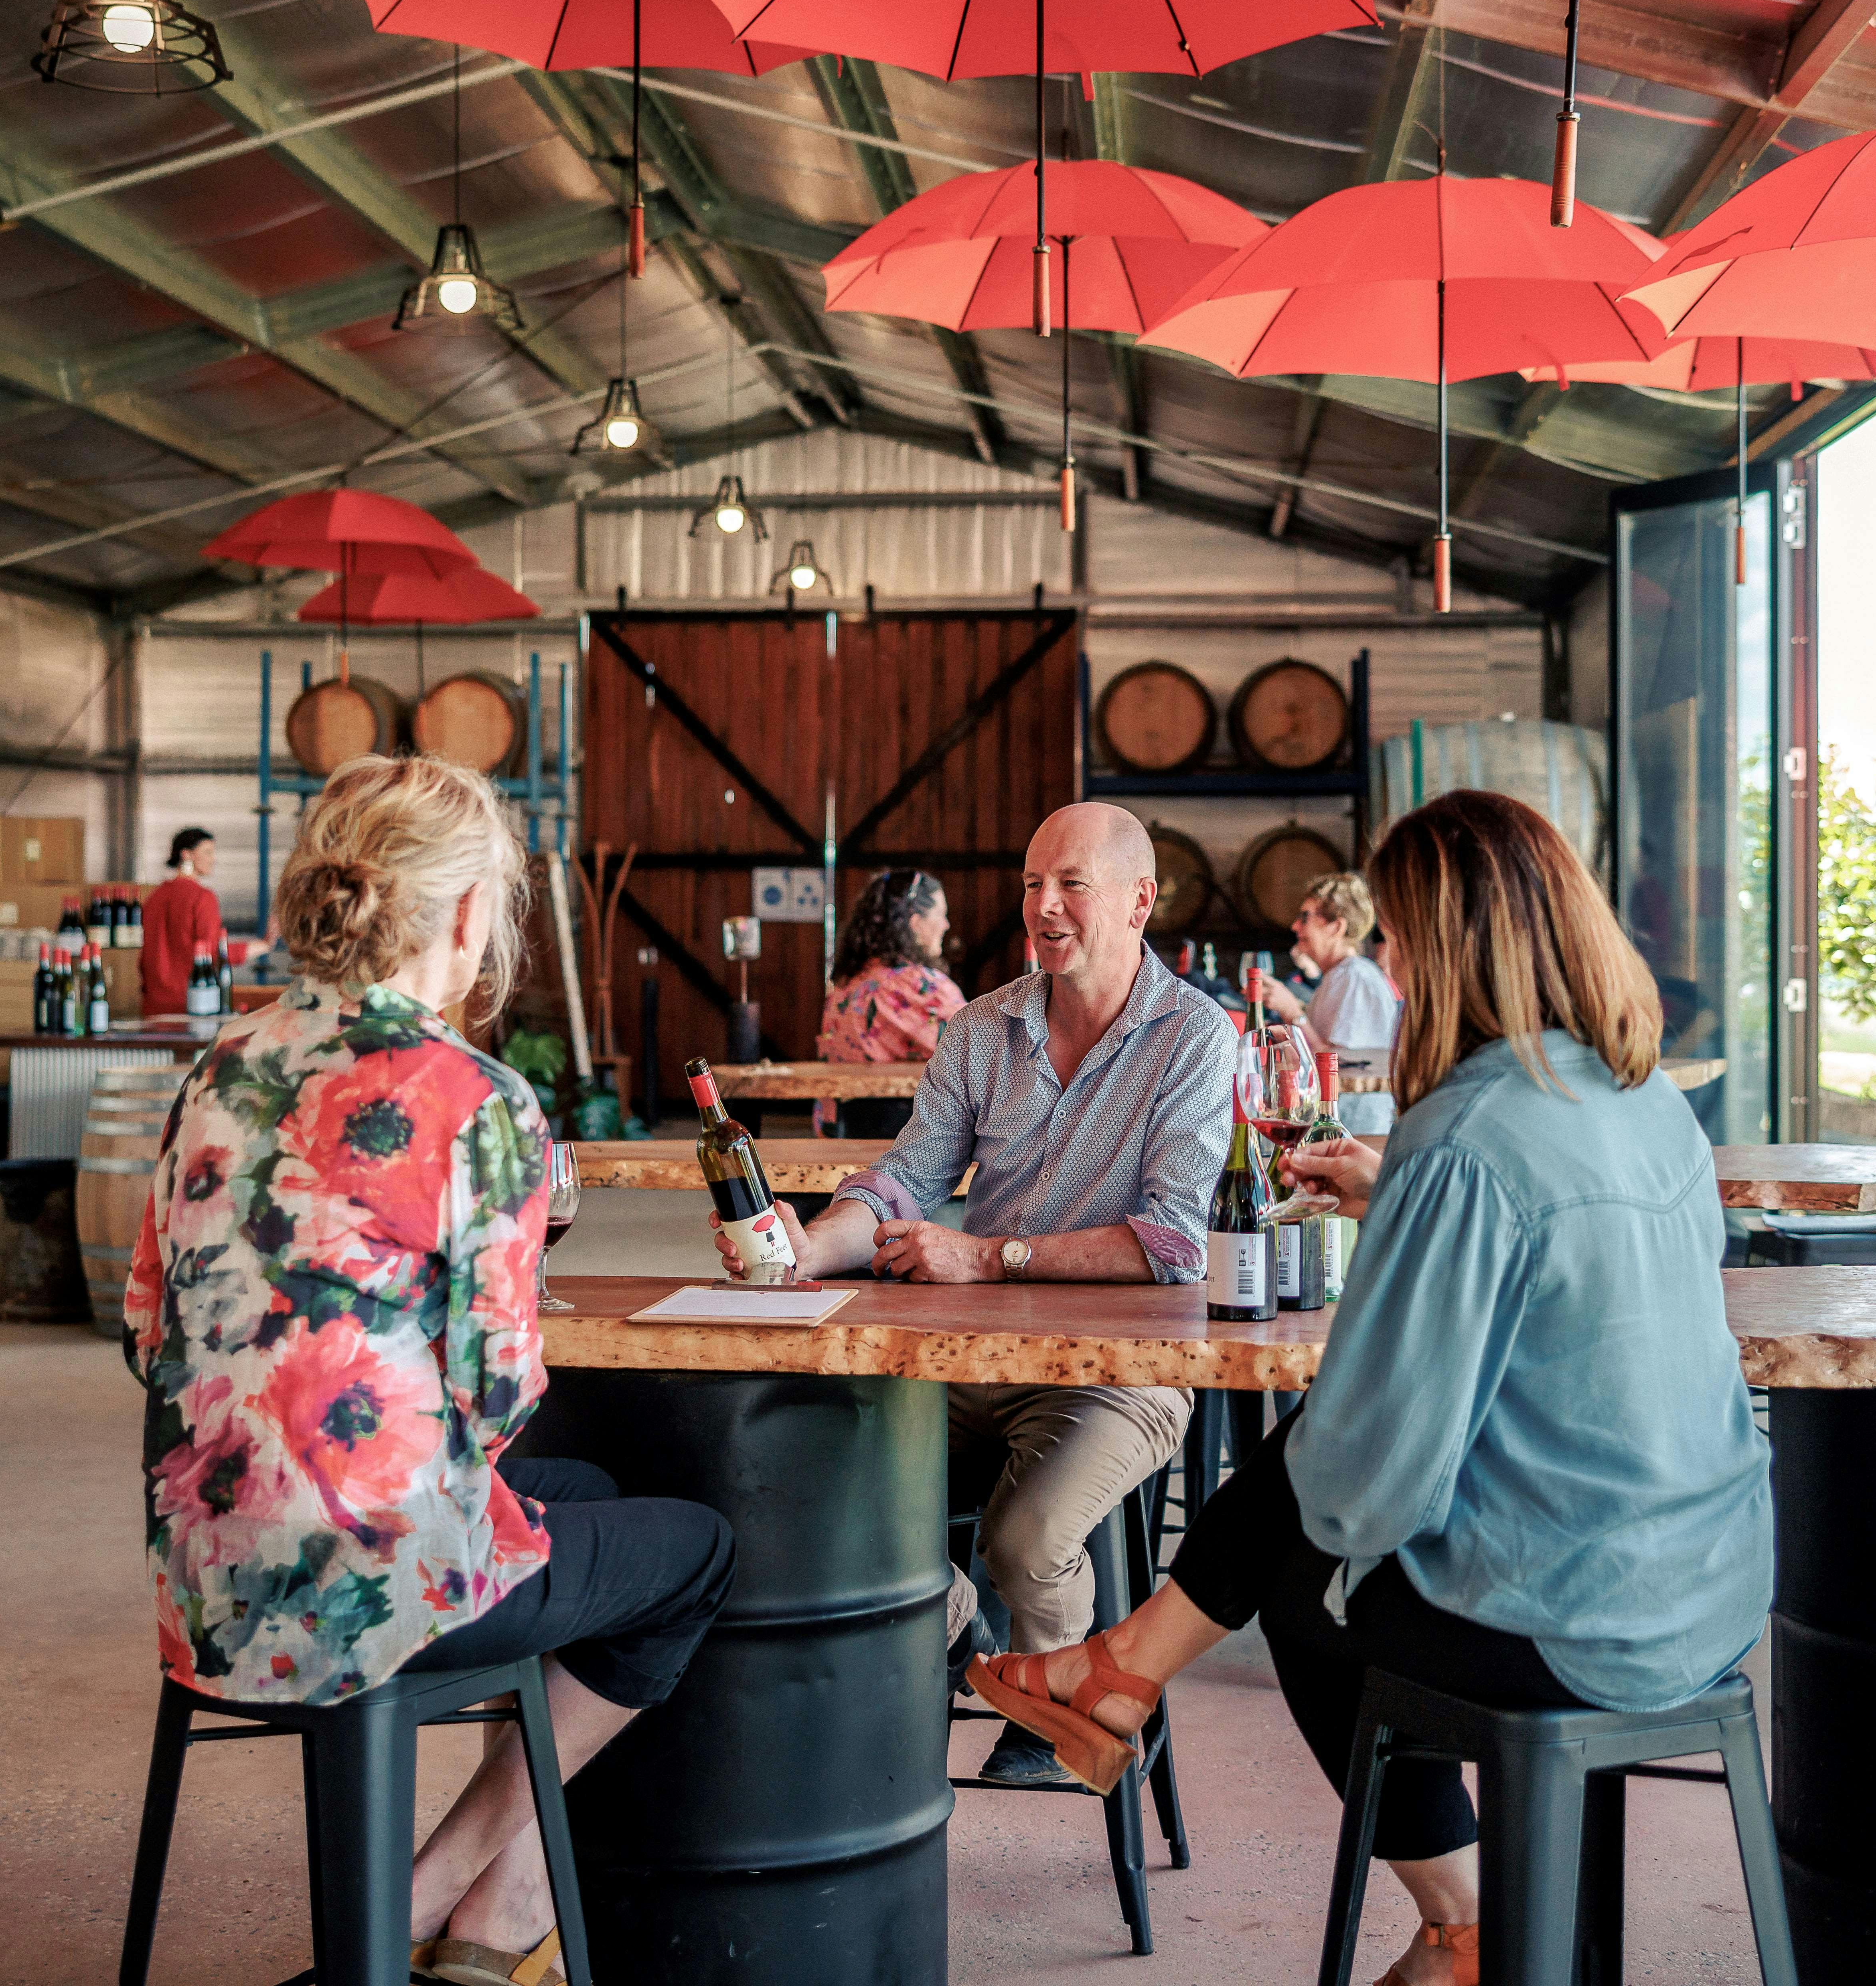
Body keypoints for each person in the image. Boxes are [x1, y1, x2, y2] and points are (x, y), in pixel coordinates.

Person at [967, 790, 1772, 1986]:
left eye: (1395, 937)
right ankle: (1116, 1676)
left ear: (1453, 950)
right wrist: (1405, 1191)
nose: (1386, 965)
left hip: (1580, 1618)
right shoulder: (1645, 1099)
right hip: (1712, 1584)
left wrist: (1410, 1203)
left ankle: (1457, 1915)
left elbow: (1364, 1484)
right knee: (1292, 1485)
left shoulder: (1460, 1136)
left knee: (1303, 1571)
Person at [128, 756, 733, 1986]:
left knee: (599, 1504)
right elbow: (500, 1395)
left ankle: (467, 1904)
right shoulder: (478, 1099)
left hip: (205, 1578)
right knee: (695, 1555)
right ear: (463, 916)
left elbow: (149, 1328)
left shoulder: (215, 1068)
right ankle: (459, 1901)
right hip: (369, 1590)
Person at [713, 802, 1235, 1787]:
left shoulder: (1196, 1038)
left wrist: (989, 1258)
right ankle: (987, 1666)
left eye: (1070, 885)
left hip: (1117, 1373)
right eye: (1032, 883)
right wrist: (805, 1246)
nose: (1042, 907)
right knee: (804, 1473)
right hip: (965, 1361)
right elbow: (902, 1180)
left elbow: (1172, 1243)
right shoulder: (977, 1028)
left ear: (1138, 901)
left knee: (1024, 1535)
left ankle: (1065, 1706)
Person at [814, 868, 965, 1138]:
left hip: (843, 1132)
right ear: (916, 923)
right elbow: (977, 1052)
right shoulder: (924, 988)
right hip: (914, 1143)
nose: (946, 925)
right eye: (941, 915)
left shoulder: (846, 988)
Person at [1258, 870, 1402, 1058]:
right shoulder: (1339, 975)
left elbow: (1340, 1065)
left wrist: (1291, 1011)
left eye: (1305, 917)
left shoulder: (1357, 977)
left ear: (1336, 927)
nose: (1295, 926)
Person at [139, 827, 263, 1019]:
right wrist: (265, 945)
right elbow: (215, 952)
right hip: (193, 1006)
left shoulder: (154, 898)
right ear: (186, 854)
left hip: (154, 1007)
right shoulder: (203, 898)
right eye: (207, 852)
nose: (213, 859)